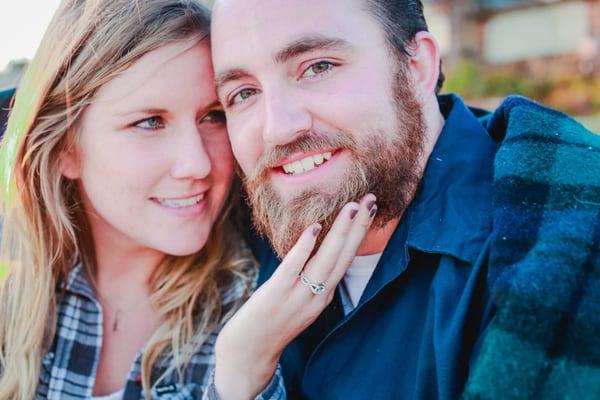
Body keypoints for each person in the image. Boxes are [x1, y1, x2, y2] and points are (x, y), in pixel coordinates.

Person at [209, 0, 600, 399]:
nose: (278, 128)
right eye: (243, 93)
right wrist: (237, 377)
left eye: (318, 67)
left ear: (418, 67)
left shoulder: (557, 246)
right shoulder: (229, 258)